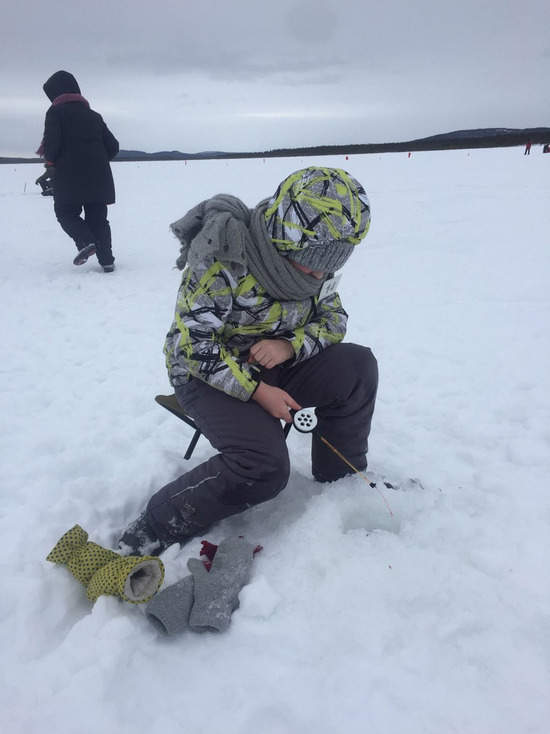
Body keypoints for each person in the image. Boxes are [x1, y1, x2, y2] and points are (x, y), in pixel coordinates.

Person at [119, 167, 379, 556]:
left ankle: (341, 479)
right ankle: (153, 526)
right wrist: (258, 391)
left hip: (277, 363)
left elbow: (334, 319)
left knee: (358, 367)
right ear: (286, 238)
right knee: (264, 467)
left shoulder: (315, 273)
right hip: (205, 373)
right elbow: (195, 346)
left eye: (332, 262)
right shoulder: (223, 260)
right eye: (312, 260)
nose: (321, 272)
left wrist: (290, 345)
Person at [41, 70, 119, 272]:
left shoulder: (55, 113)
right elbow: (113, 146)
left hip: (69, 177)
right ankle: (107, 261)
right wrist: (96, 161)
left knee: (65, 212)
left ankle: (85, 242)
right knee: (98, 219)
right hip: (98, 178)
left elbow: (51, 145)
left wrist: (52, 161)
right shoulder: (94, 116)